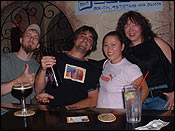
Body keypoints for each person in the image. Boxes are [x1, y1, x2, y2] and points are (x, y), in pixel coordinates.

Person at [116, 10, 174, 110]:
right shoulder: (124, 52)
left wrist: (174, 92)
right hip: (136, 99)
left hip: (160, 98)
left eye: (135, 24)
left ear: (142, 27)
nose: (131, 29)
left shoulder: (155, 42)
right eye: (126, 26)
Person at [35, 25, 101, 109]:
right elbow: (38, 90)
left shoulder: (92, 68)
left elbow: (93, 100)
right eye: (82, 35)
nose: (85, 40)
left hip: (78, 115)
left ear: (91, 46)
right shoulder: (54, 58)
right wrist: (43, 69)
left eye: (90, 38)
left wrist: (68, 108)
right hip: (52, 112)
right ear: (74, 39)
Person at [96, 31, 149, 109]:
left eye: (113, 45)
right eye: (106, 45)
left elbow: (144, 91)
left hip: (118, 116)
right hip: (102, 114)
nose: (109, 49)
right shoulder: (106, 64)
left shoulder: (130, 68)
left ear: (122, 47)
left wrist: (130, 111)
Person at [1, 24, 41, 104]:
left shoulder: (38, 67)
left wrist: (38, 98)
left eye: (35, 37)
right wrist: (19, 80)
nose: (31, 39)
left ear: (38, 46)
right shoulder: (4, 60)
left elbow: (32, 98)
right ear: (21, 40)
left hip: (26, 112)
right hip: (4, 112)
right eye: (28, 35)